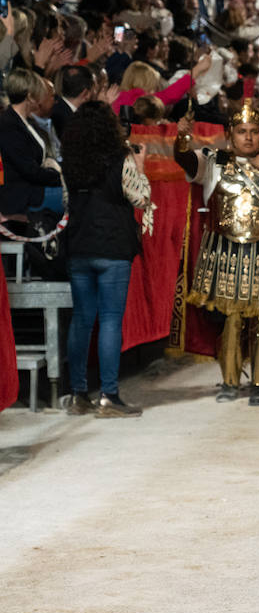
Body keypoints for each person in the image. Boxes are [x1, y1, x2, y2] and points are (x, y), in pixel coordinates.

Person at [168, 86, 259, 405]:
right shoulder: (214, 162)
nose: (248, 138)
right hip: (226, 252)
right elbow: (185, 161)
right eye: (241, 132)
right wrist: (182, 138)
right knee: (233, 319)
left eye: (253, 132)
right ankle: (230, 382)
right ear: (229, 134)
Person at [61, 102, 154, 417]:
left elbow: (64, 202)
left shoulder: (69, 164)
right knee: (111, 320)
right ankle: (109, 396)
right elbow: (141, 197)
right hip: (113, 247)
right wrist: (139, 165)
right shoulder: (121, 160)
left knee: (82, 320)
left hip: (79, 246)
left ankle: (77, 395)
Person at [0, 68, 62, 220]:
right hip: (21, 196)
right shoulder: (8, 125)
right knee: (79, 200)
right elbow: (29, 170)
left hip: (36, 186)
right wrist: (59, 176)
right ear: (30, 96)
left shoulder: (27, 122)